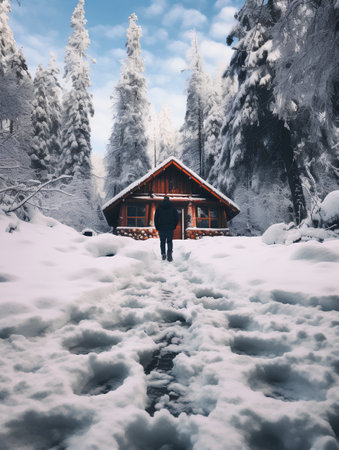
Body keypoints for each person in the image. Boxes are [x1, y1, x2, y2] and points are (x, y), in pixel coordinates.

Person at [154, 196, 178, 262]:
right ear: (169, 200)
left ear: (163, 200)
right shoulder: (173, 208)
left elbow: (156, 218)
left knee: (162, 242)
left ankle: (163, 254)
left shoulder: (159, 207)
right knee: (169, 241)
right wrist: (174, 226)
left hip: (161, 228)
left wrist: (157, 227)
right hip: (170, 228)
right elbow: (176, 218)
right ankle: (169, 254)